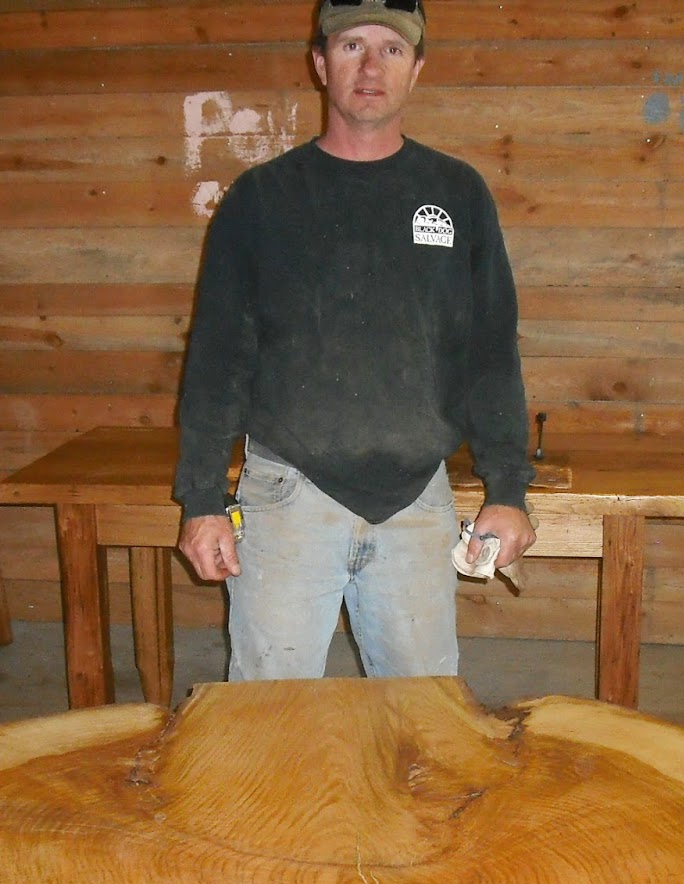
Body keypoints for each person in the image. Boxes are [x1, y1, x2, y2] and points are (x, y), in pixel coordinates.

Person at [172, 0, 535, 682]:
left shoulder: (456, 195)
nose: (371, 67)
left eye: (392, 50)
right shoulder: (260, 201)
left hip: (417, 502)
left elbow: (489, 351)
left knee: (422, 734)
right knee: (267, 731)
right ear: (319, 64)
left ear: (417, 70)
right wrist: (201, 502)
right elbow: (217, 361)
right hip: (287, 502)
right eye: (351, 47)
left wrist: (509, 487)